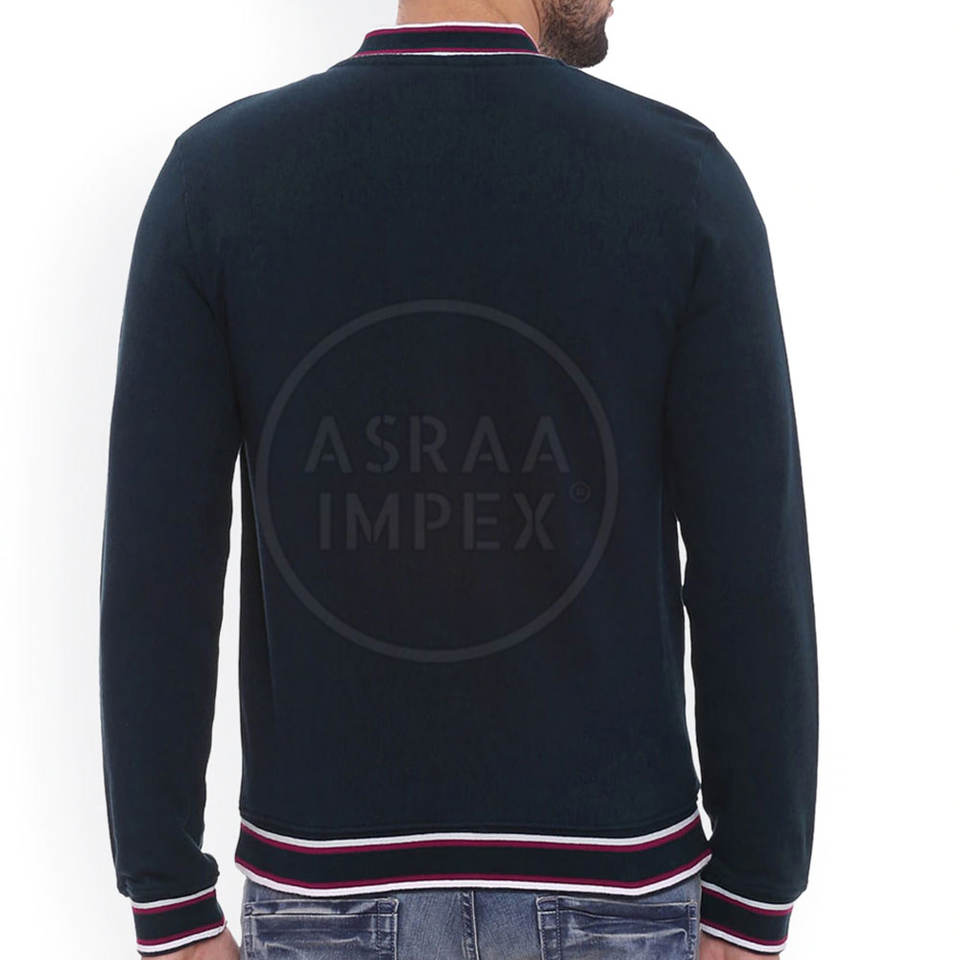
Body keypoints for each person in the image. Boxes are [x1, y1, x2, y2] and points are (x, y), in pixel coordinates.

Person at [99, 1, 818, 958]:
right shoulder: (680, 179)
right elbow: (751, 568)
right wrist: (754, 902)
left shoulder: (219, 179)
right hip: (616, 892)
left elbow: (158, 564)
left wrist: (170, 906)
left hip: (327, 894)